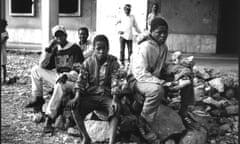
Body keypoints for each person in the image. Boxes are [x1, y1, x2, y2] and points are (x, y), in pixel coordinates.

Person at [128, 17, 195, 142]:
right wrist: (163, 83)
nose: (163, 35)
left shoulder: (163, 47)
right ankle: (143, 121)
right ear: (151, 32)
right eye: (159, 32)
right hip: (137, 80)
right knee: (157, 90)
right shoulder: (144, 47)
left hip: (154, 77)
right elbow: (140, 74)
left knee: (187, 76)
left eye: (165, 32)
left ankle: (184, 112)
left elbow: (165, 65)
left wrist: (178, 71)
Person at [67, 35, 122, 144]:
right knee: (75, 107)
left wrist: (115, 99)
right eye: (98, 49)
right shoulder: (88, 62)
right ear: (94, 49)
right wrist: (77, 97)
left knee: (115, 109)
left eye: (104, 49)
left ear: (108, 48)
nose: (101, 51)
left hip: (106, 96)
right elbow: (81, 80)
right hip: (91, 96)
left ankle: (112, 141)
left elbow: (115, 81)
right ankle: (86, 137)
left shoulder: (113, 63)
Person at [25, 25, 84, 124]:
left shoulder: (74, 48)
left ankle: (50, 116)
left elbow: (79, 69)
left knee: (59, 85)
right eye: (57, 36)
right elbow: (43, 65)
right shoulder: (55, 49)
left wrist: (67, 75)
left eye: (61, 35)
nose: (59, 38)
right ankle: (37, 98)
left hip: (71, 78)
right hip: (58, 76)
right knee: (35, 70)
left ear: (66, 35)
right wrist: (48, 49)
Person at [0, 19, 9, 83]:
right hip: (2, 51)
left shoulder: (5, 33)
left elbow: (2, 41)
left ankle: (4, 80)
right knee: (3, 66)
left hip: (2, 51)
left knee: (3, 65)